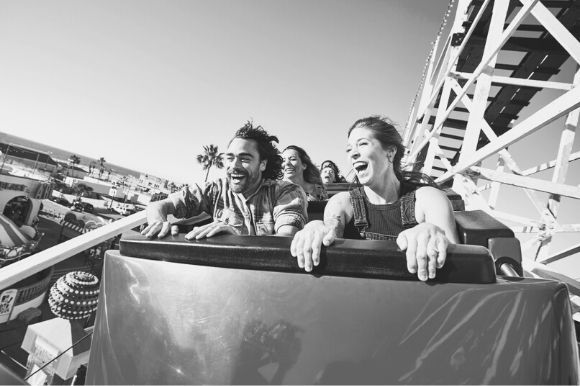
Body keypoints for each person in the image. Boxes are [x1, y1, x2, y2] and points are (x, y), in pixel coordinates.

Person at [290, 116, 459, 281]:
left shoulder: (427, 197)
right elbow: (331, 230)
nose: (353, 154)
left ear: (390, 152)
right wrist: (316, 228)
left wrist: (432, 231)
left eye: (362, 144)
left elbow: (460, 260)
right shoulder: (343, 202)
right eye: (349, 149)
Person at [142, 122, 308, 239]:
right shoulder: (217, 190)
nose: (234, 165)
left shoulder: (286, 192)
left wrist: (237, 238)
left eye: (244, 158)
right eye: (230, 158)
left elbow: (285, 240)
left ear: (263, 164)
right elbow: (159, 205)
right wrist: (158, 223)